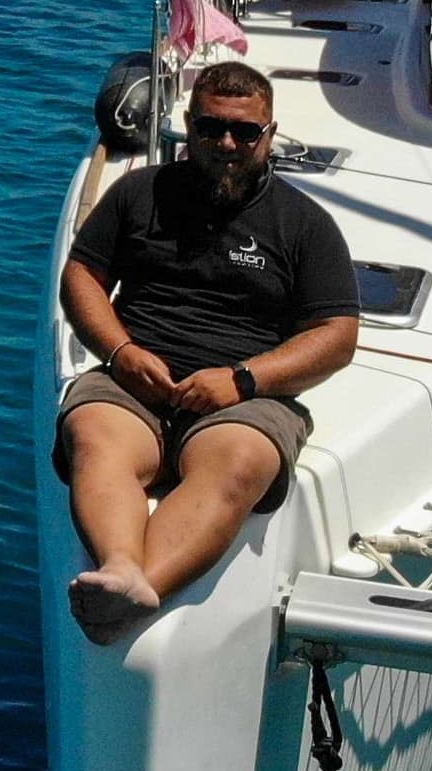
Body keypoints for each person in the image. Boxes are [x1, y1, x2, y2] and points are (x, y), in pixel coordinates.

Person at [52, 61, 362, 645]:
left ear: (269, 135)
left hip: (244, 395)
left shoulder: (305, 225)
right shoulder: (138, 194)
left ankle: (136, 593)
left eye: (245, 132)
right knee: (93, 433)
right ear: (189, 128)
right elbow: (83, 277)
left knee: (241, 462)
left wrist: (243, 380)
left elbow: (337, 334)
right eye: (212, 128)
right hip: (135, 377)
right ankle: (120, 567)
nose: (227, 144)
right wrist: (120, 352)